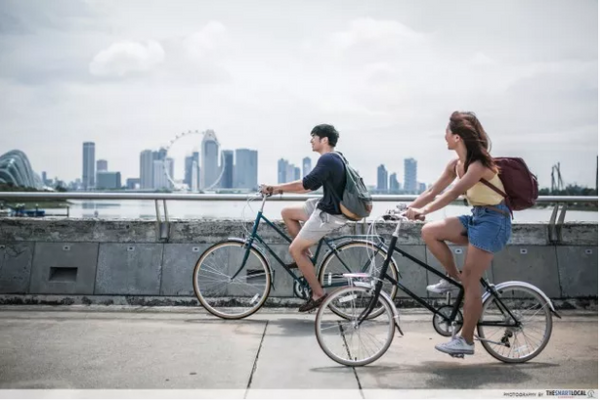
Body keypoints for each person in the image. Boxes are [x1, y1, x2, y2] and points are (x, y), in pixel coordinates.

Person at [404, 111, 512, 356]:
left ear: (457, 137)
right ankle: (454, 278)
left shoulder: (478, 165)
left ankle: (466, 340)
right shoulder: (456, 165)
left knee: (472, 283)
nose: (443, 137)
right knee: (430, 231)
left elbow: (452, 194)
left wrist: (423, 210)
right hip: (477, 218)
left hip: (495, 221)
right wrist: (408, 208)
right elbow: (433, 191)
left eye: (446, 133)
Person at [260, 124, 347, 312]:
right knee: (287, 213)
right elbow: (311, 187)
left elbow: (304, 186)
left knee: (295, 250)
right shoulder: (334, 157)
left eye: (313, 136)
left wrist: (274, 188)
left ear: (324, 140)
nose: (310, 140)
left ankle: (318, 294)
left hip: (329, 212)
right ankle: (305, 255)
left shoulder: (328, 159)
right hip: (325, 203)